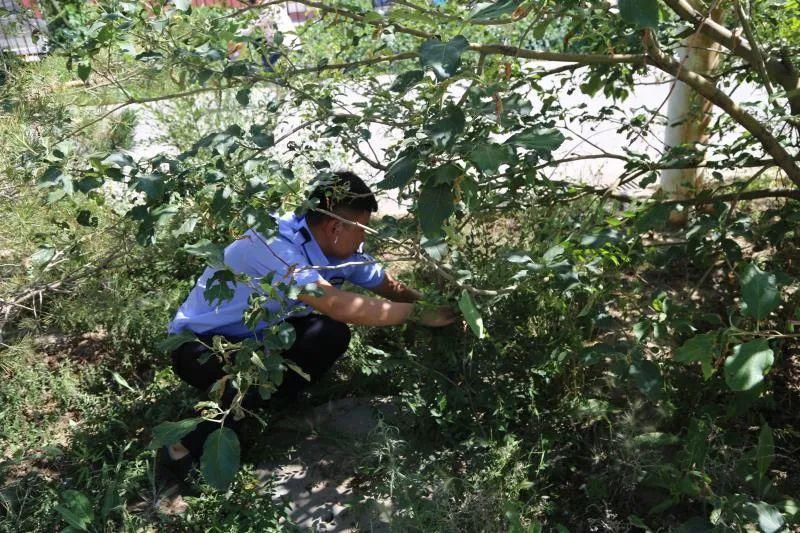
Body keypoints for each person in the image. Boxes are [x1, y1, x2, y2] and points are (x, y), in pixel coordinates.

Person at [161, 170, 456, 471]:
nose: (365, 238)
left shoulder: (339, 249)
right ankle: (181, 448)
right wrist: (417, 314)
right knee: (248, 374)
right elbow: (337, 304)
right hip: (200, 347)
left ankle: (266, 405)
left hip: (260, 339)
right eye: (363, 230)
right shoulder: (274, 243)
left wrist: (437, 307)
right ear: (335, 227)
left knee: (330, 334)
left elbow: (388, 285)